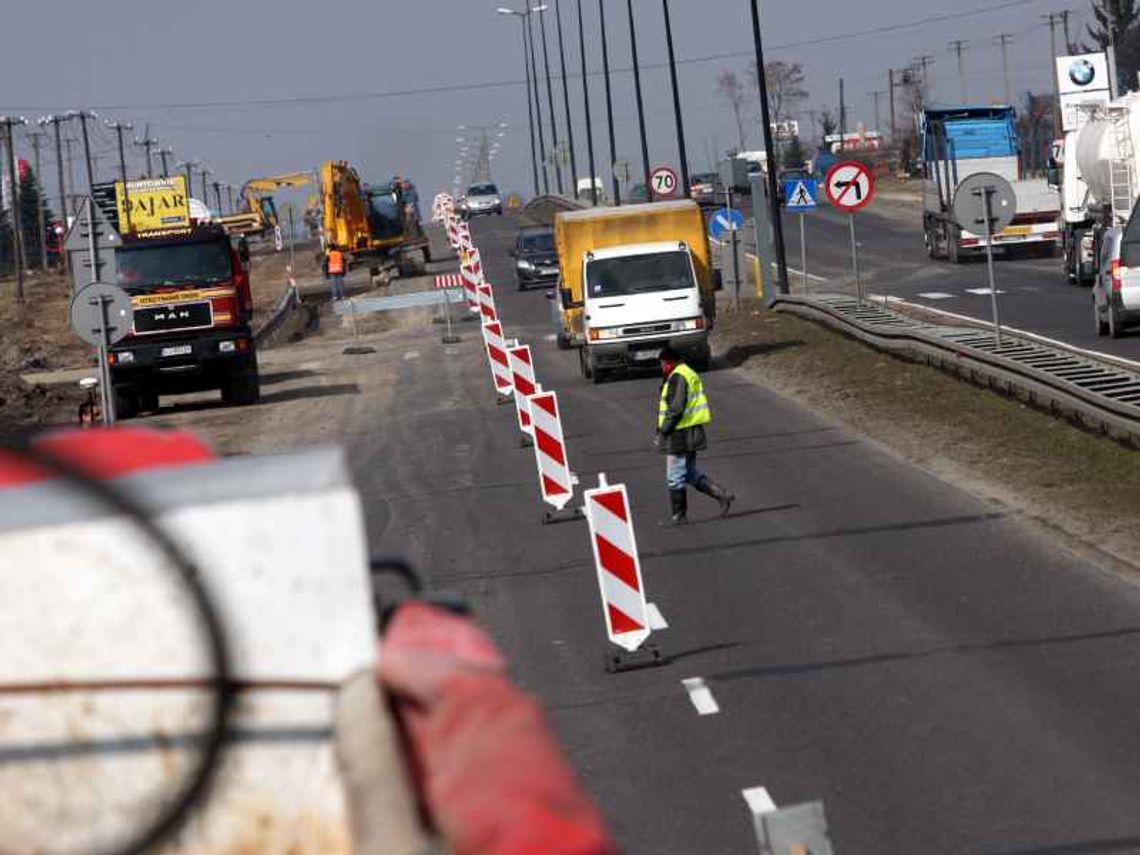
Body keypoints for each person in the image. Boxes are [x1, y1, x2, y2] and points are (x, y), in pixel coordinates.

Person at [655, 346, 734, 525]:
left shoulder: (678, 377)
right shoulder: (687, 373)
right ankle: (721, 495)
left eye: (662, 363)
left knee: (674, 475)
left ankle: (679, 515)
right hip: (690, 432)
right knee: (688, 473)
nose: (661, 367)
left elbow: (675, 409)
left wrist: (663, 432)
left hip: (679, 434)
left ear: (668, 362)